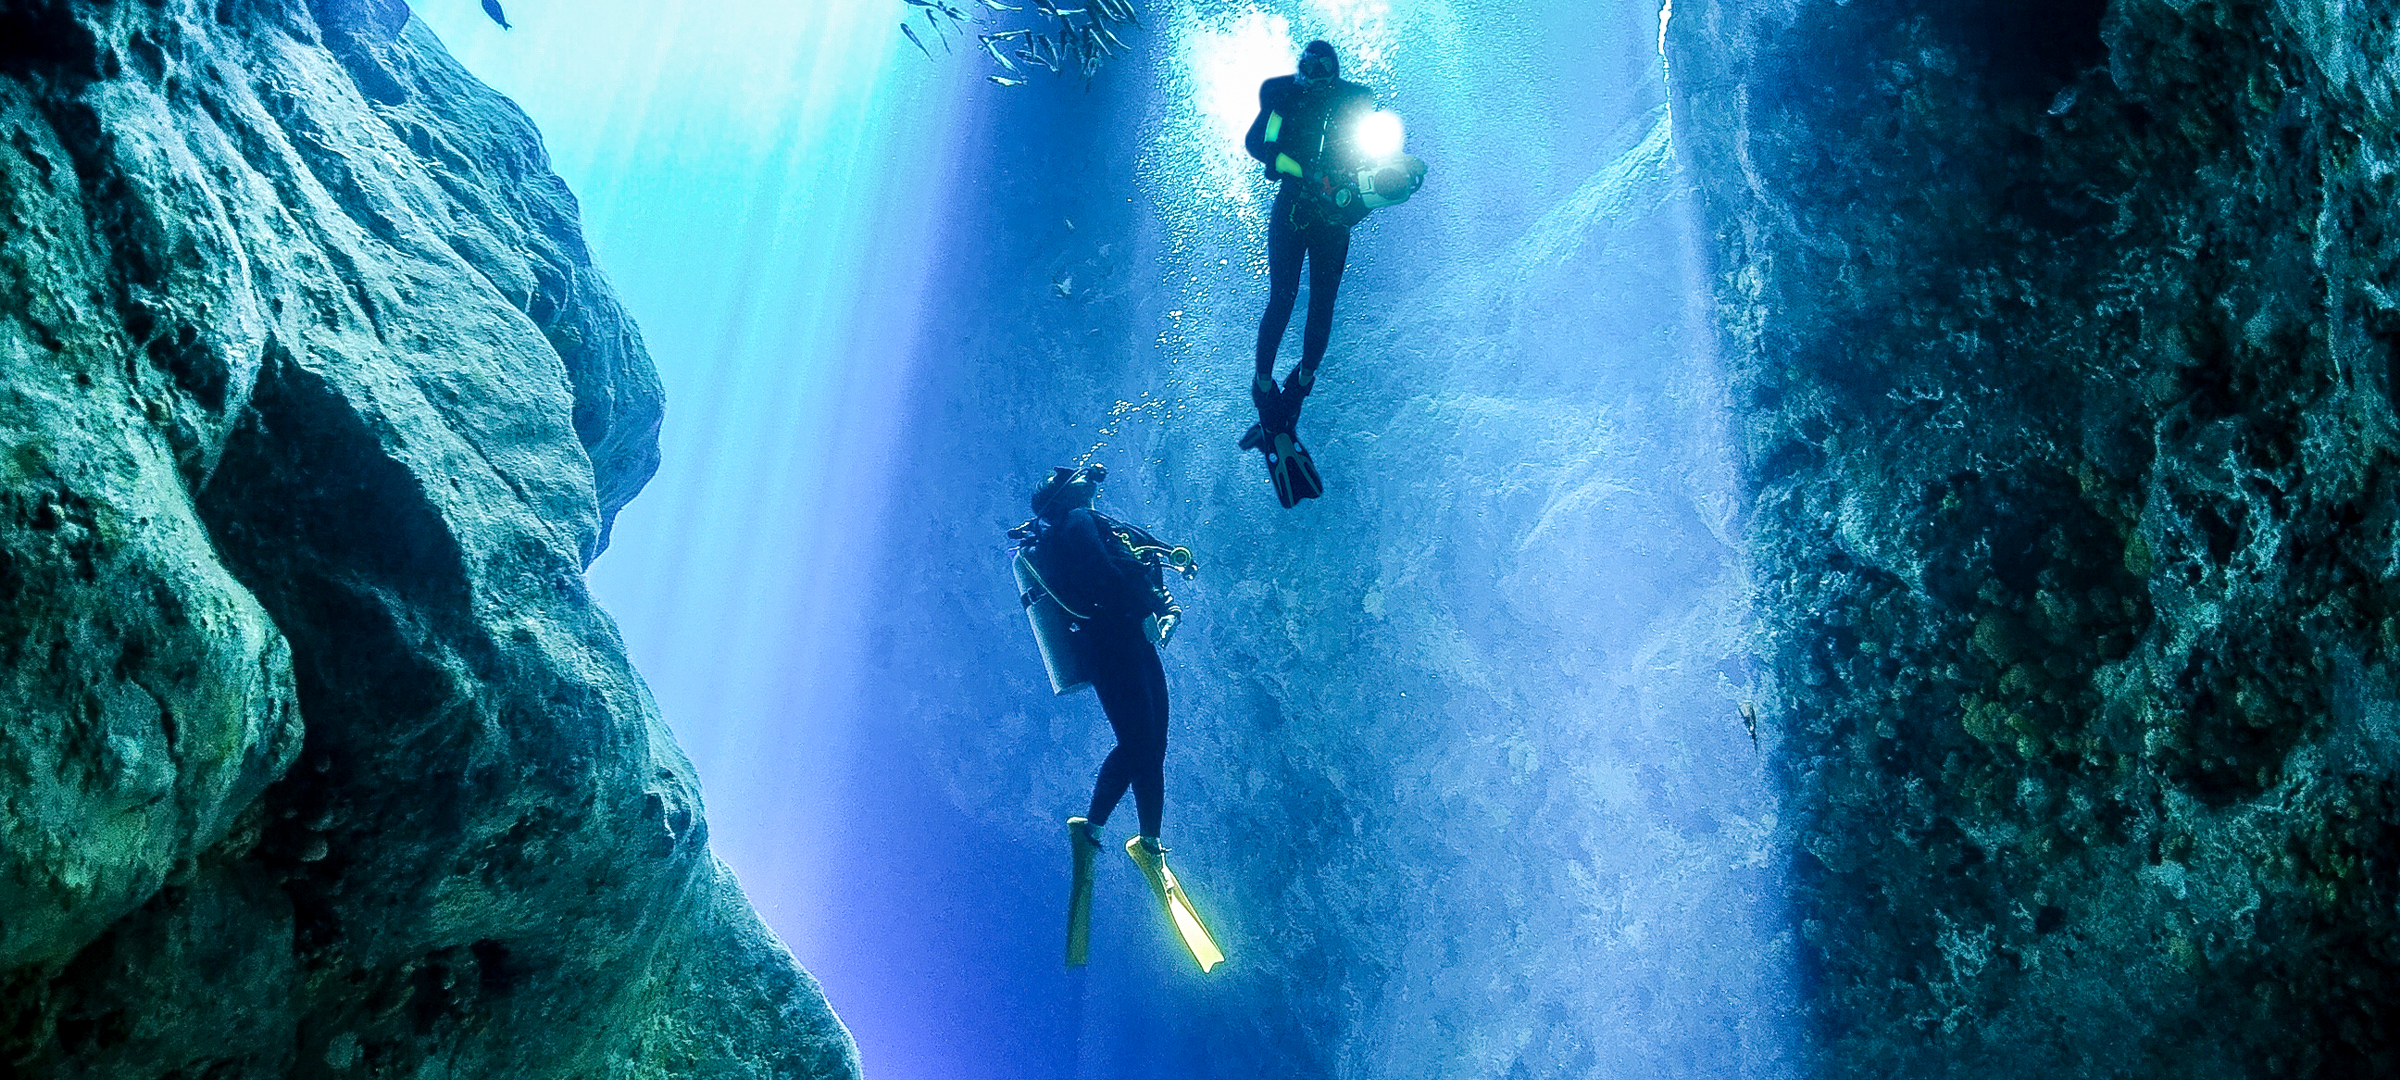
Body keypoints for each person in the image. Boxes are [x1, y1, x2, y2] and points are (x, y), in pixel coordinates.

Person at [1238, 39, 1376, 508]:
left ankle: (1297, 388)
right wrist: (1304, 171)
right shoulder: (1283, 98)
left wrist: (1361, 190)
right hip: (1294, 210)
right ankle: (1264, 388)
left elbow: (1370, 160)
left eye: (1324, 68)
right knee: (1283, 297)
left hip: (1333, 218)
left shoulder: (1355, 102)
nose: (1315, 76)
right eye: (1307, 68)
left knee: (1322, 303)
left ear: (1335, 69)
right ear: (1299, 69)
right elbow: (1261, 144)